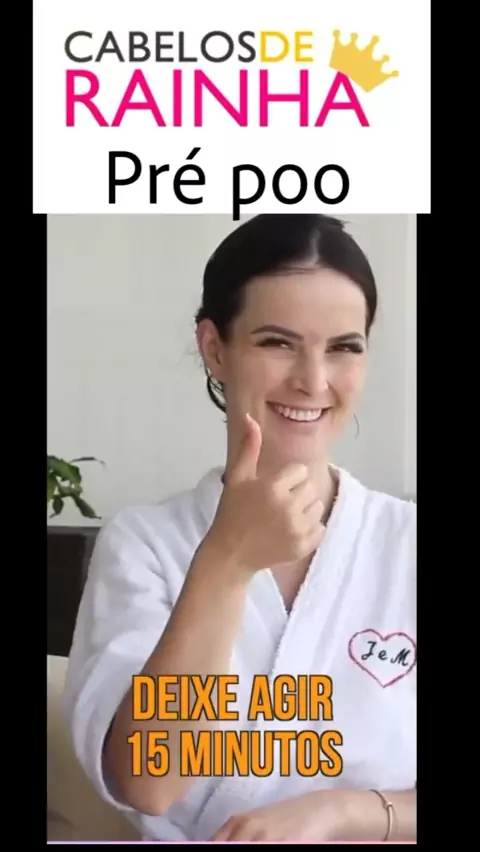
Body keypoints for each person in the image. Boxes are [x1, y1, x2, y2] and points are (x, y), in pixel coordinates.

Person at [63, 213, 416, 842]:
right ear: (214, 348)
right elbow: (147, 781)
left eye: (344, 347)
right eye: (277, 342)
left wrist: (341, 811)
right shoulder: (144, 545)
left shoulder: (406, 543)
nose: (313, 380)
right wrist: (226, 562)